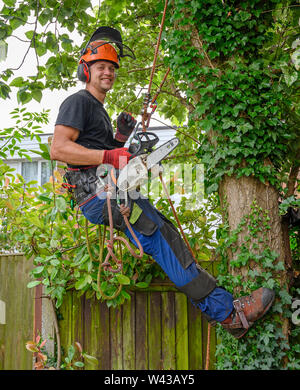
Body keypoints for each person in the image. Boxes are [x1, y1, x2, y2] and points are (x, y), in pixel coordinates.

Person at [50, 27, 275, 339]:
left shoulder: (97, 110)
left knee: (165, 235)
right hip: (100, 196)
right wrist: (113, 155)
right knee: (163, 242)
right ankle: (229, 314)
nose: (108, 73)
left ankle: (227, 312)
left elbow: (101, 155)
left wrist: (120, 139)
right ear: (86, 70)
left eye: (112, 68)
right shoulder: (78, 102)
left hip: (112, 192)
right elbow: (59, 149)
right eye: (101, 67)